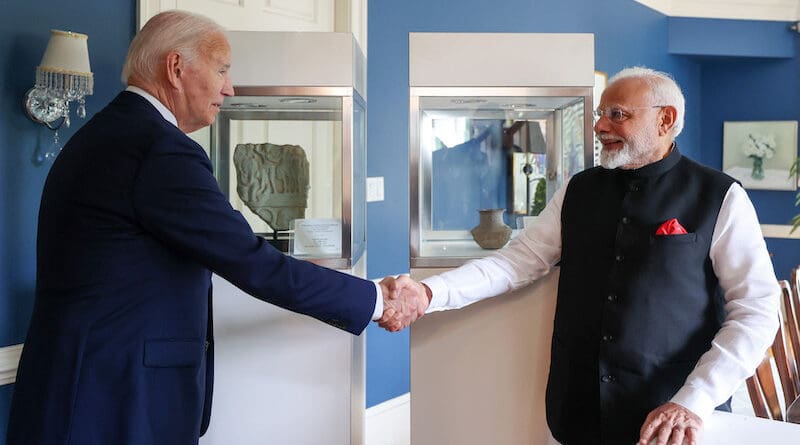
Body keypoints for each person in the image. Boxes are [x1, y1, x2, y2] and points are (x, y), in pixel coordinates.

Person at [7, 11, 420, 445]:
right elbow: (254, 263)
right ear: (176, 68)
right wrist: (376, 298)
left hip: (81, 387)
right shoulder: (159, 149)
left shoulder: (109, 133)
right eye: (221, 69)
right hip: (113, 400)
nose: (230, 87)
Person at [380, 67, 780, 445]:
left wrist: (694, 399)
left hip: (672, 417)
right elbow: (516, 261)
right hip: (577, 410)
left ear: (665, 119)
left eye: (617, 114)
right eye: (600, 114)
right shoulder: (579, 189)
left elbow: (757, 309)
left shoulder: (720, 196)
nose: (600, 126)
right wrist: (429, 294)